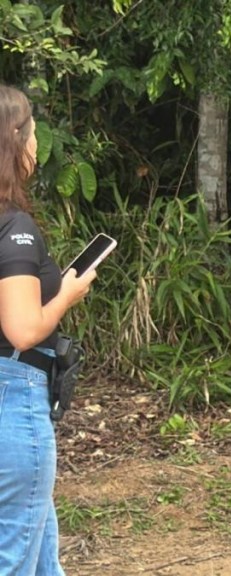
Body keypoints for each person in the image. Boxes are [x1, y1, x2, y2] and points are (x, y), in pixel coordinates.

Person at [0, 85, 96, 575]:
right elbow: (22, 330)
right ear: (17, 140)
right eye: (34, 131)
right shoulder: (13, 227)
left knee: (40, 559)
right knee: (14, 556)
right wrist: (67, 295)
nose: (39, 144)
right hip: (12, 396)